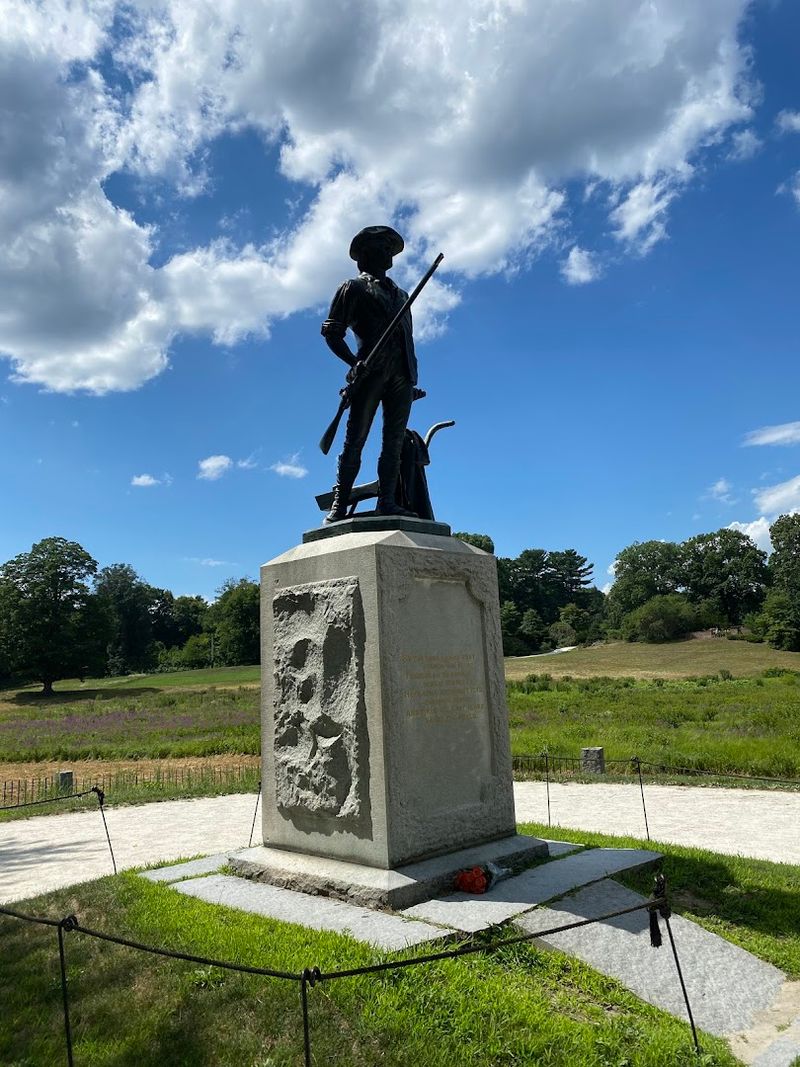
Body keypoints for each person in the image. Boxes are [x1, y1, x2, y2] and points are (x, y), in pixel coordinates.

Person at [320, 225, 420, 523]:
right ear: (366, 254)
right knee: (356, 439)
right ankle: (340, 502)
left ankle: (387, 501)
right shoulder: (353, 287)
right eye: (382, 247)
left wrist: (411, 380)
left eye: (390, 248)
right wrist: (353, 362)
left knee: (394, 442)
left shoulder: (402, 295)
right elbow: (333, 332)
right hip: (369, 373)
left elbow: (406, 338)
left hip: (402, 375)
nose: (388, 253)